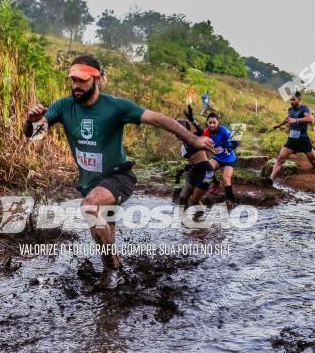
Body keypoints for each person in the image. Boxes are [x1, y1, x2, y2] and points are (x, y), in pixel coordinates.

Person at [23, 55, 213, 290]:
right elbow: (35, 135)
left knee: (89, 206)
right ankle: (115, 269)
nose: (76, 86)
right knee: (103, 231)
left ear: (97, 78)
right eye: (73, 80)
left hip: (118, 176)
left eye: (82, 81)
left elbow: (158, 119)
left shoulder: (116, 106)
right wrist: (30, 121)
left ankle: (112, 267)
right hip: (90, 180)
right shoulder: (63, 106)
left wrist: (193, 138)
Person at [268, 91, 315, 194]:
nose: (291, 101)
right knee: (280, 159)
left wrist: (296, 120)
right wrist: (279, 125)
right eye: (290, 99)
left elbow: (309, 119)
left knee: (314, 161)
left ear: (299, 99)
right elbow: (289, 118)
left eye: (293, 99)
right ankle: (270, 180)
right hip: (292, 139)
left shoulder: (304, 108)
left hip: (303, 139)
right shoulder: (290, 109)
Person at [175, 105, 214, 210]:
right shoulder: (183, 145)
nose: (177, 134)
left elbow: (202, 132)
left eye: (180, 131)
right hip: (193, 172)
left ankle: (202, 220)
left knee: (195, 201)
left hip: (206, 172)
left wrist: (192, 119)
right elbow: (192, 160)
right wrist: (183, 170)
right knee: (183, 198)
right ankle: (184, 223)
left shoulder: (195, 138)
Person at [204, 112, 239, 204]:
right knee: (207, 169)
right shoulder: (206, 132)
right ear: (207, 122)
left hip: (229, 158)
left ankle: (230, 201)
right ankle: (216, 183)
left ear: (218, 122)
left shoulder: (223, 130)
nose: (212, 125)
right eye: (210, 122)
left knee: (226, 178)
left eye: (214, 122)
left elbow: (236, 142)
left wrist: (229, 148)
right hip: (218, 158)